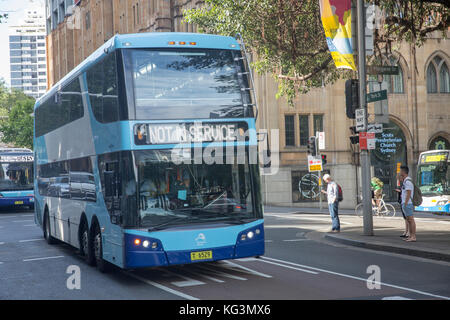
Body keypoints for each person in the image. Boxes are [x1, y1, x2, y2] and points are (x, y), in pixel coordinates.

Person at [398, 165, 416, 242]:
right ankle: (411, 236)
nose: (399, 172)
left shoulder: (408, 181)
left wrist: (405, 203)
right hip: (406, 203)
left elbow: (409, 193)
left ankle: (413, 236)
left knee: (410, 220)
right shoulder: (406, 181)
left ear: (403, 172)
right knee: (409, 220)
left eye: (400, 171)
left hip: (408, 203)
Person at [394, 173, 409, 238]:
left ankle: (408, 232)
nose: (398, 179)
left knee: (408, 218)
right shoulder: (403, 183)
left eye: (399, 178)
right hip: (402, 202)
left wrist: (405, 203)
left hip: (405, 202)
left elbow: (407, 193)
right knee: (406, 218)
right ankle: (406, 231)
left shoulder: (407, 182)